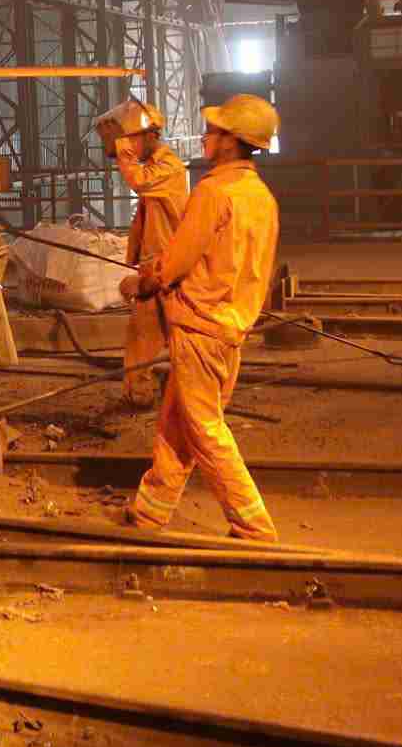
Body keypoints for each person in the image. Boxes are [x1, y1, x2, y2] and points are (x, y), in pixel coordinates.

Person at [117, 94, 280, 541]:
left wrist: (143, 282)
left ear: (231, 141)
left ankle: (253, 526)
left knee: (205, 429)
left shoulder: (214, 192)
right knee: (177, 425)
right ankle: (149, 513)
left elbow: (176, 262)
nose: (206, 136)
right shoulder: (262, 197)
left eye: (213, 131)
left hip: (200, 326)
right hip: (230, 329)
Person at [93, 97, 189, 408]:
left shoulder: (169, 167)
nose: (128, 145)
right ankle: (139, 394)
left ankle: (188, 393)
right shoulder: (155, 166)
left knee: (180, 335)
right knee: (143, 334)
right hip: (155, 265)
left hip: (172, 267)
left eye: (131, 138)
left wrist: (123, 152)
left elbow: (138, 181)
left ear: (150, 136)